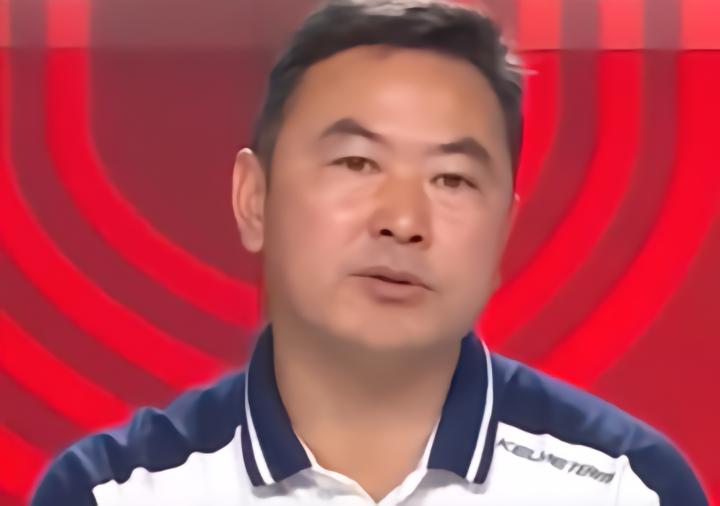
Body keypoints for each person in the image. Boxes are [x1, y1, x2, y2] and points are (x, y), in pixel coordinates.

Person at [31, 0, 708, 504]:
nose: (403, 221)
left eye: (452, 179)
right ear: (254, 198)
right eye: (357, 163)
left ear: (503, 230)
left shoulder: (625, 486)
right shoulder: (115, 491)